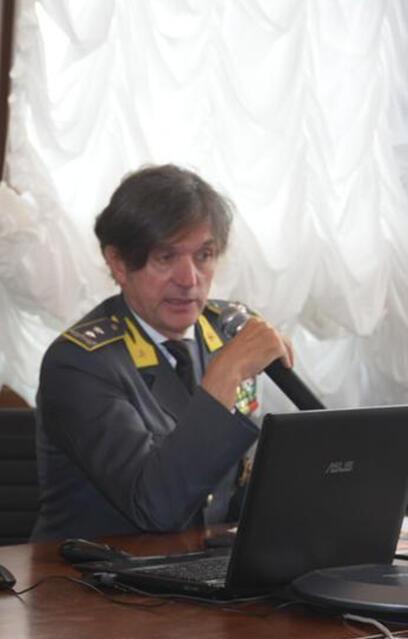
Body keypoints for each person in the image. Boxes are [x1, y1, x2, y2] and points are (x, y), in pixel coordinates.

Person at [31, 164, 293, 542]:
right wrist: (225, 375)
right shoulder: (79, 364)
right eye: (166, 257)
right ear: (119, 264)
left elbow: (232, 489)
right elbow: (155, 505)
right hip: (97, 573)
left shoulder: (226, 330)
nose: (189, 280)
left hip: (200, 565)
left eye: (204, 255)